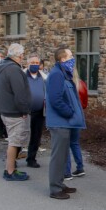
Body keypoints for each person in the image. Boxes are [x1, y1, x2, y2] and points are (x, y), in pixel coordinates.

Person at [46, 48, 85, 200]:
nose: (73, 58)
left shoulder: (63, 74)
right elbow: (56, 99)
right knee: (58, 156)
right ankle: (55, 189)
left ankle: (60, 184)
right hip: (60, 122)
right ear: (62, 59)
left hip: (65, 123)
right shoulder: (57, 75)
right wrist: (69, 113)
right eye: (70, 56)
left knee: (63, 156)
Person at [0, 43, 32, 181]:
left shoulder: (0, 67)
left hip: (5, 110)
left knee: (14, 140)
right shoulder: (14, 70)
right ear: (19, 55)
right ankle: (10, 171)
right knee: (14, 142)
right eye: (22, 55)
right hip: (14, 112)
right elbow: (19, 93)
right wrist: (24, 110)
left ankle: (10, 168)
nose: (23, 57)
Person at [24, 54, 46, 167]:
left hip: (39, 112)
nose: (35, 65)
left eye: (37, 63)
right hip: (25, 112)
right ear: (27, 64)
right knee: (21, 136)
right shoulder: (22, 76)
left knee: (36, 137)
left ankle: (31, 159)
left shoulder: (43, 77)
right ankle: (12, 159)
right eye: (32, 63)